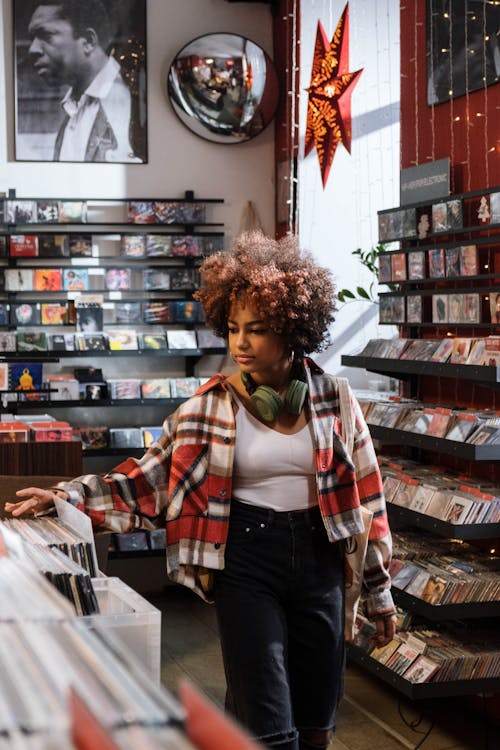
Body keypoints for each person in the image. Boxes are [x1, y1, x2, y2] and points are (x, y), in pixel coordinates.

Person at [5, 232, 397, 750]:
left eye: (256, 329)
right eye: (233, 328)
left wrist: (379, 592)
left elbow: (367, 502)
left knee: (316, 722)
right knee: (269, 725)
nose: (239, 344)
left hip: (322, 564)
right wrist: (65, 497)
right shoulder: (206, 408)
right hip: (245, 560)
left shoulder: (334, 400)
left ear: (292, 329)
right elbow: (148, 480)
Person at [26, 0, 144, 162]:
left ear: (88, 41)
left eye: (45, 35)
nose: (32, 49)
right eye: (32, 38)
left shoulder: (135, 99)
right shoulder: (72, 109)